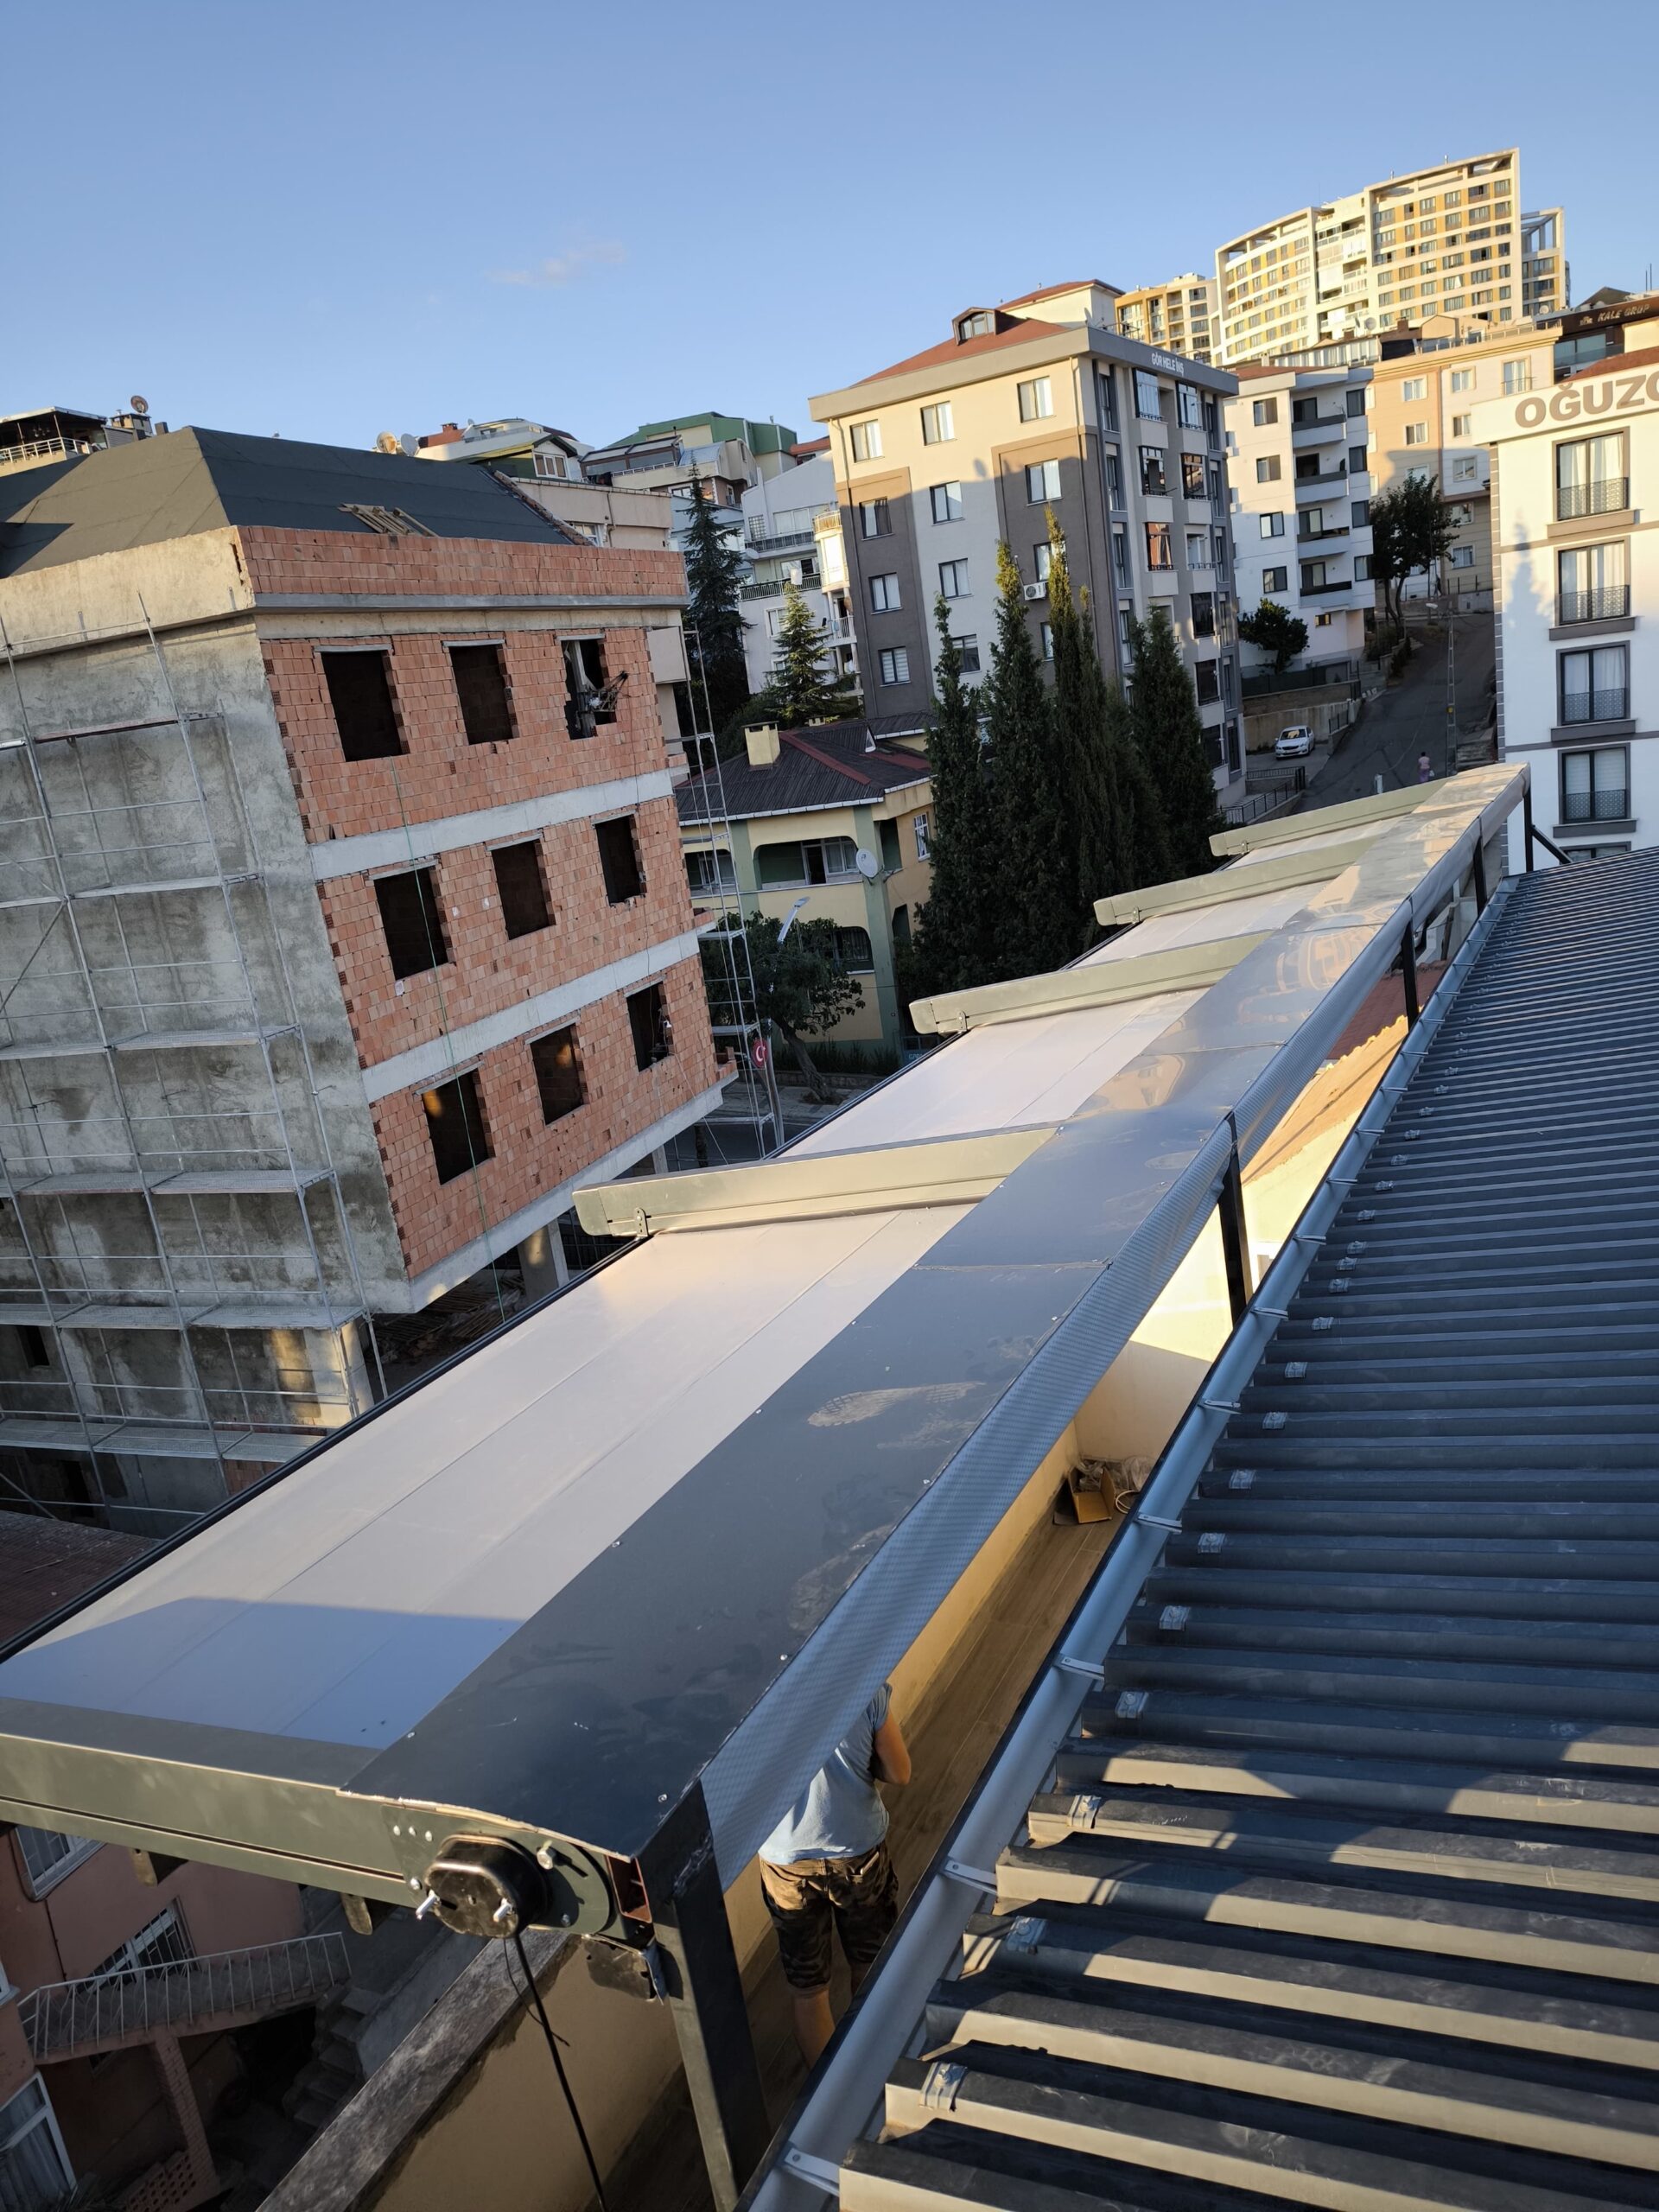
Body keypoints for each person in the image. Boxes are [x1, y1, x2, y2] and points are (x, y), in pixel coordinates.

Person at [758, 1682, 910, 2063]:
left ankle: (828, 2088)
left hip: (785, 1862)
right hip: (857, 1850)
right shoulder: (864, 1685)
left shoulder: (751, 1700)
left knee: (809, 1990)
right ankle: (874, 2068)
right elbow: (900, 1772)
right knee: (871, 1967)